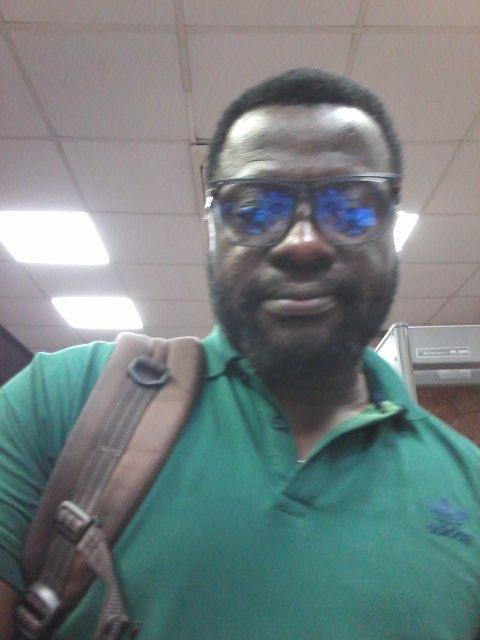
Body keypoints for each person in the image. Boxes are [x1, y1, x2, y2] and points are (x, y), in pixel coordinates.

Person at [1, 68, 480, 640]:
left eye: (351, 205)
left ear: (390, 224)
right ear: (212, 229)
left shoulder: (469, 483)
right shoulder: (61, 401)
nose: (303, 243)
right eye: (254, 207)